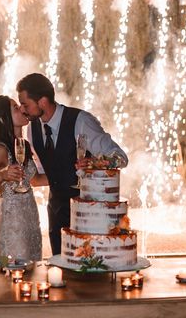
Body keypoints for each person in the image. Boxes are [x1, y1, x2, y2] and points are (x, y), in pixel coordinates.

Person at [16, 73, 128, 256]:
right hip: (56, 212)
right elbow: (46, 172)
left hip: (89, 213)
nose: (22, 109)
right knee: (60, 269)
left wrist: (95, 162)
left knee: (89, 273)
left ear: (42, 102)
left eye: (25, 104)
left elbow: (121, 158)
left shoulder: (81, 121)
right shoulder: (31, 129)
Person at [0, 95, 48, 262]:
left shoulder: (24, 145)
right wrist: (1, 175)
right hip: (13, 228)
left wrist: (70, 172)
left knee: (31, 276)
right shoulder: (0, 149)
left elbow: (34, 181)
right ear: (3, 117)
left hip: (31, 223)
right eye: (15, 107)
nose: (21, 109)